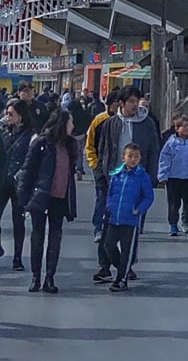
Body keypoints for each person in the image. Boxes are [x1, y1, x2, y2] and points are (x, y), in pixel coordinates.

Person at [18, 108, 81, 294]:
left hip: (60, 198)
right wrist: (24, 198)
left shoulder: (70, 145)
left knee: (55, 237)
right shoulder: (41, 143)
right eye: (70, 122)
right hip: (41, 196)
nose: (73, 125)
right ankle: (36, 277)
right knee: (37, 237)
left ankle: (50, 277)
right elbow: (27, 169)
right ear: (62, 123)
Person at [96, 142, 155, 291]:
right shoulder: (116, 174)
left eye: (136, 156)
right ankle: (122, 267)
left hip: (130, 219)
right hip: (114, 217)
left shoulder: (142, 176)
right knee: (108, 245)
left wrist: (139, 209)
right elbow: (110, 192)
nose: (133, 159)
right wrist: (109, 206)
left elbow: (149, 196)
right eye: (130, 156)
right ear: (123, 157)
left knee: (127, 250)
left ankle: (121, 279)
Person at [157, 113, 188, 238]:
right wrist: (163, 175)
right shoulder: (171, 143)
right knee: (173, 203)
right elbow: (164, 160)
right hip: (173, 178)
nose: (186, 128)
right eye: (183, 126)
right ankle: (173, 224)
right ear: (177, 128)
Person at [1, 98, 36, 270]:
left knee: (18, 221)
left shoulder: (30, 135)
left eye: (11, 114)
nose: (7, 117)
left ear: (20, 116)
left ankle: (17, 257)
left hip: (19, 183)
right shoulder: (3, 131)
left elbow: (30, 159)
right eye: (6, 113)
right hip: (2, 181)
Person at [85, 90, 120, 241]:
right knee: (101, 197)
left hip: (119, 167)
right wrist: (94, 164)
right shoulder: (99, 120)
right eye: (115, 104)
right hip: (100, 166)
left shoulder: (123, 120)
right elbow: (90, 144)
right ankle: (98, 227)